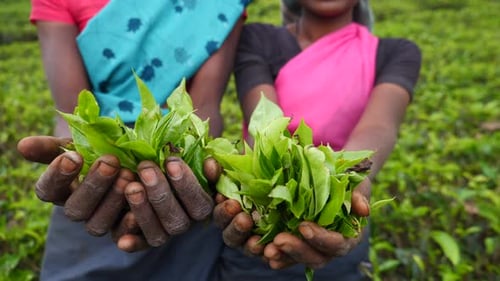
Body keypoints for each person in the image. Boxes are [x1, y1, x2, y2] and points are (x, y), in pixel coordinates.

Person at [17, 0, 250, 280]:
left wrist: (192, 170)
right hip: (97, 168)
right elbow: (73, 112)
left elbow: (203, 110)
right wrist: (75, 162)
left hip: (179, 162)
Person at [212, 0, 422, 280]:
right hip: (262, 216)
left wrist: (348, 182)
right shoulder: (259, 37)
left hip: (339, 216)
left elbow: (380, 125)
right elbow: (263, 120)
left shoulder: (395, 52)